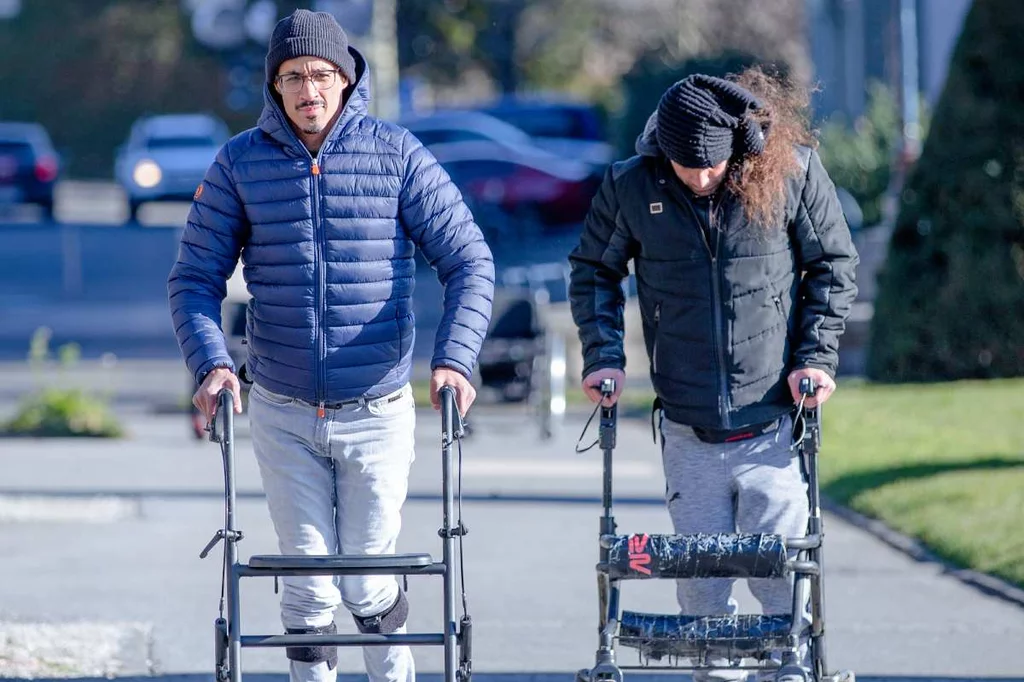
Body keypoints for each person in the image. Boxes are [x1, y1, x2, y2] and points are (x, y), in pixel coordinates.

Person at [167, 9, 494, 682]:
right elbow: (194, 277)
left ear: (346, 80)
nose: (307, 89)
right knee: (308, 584)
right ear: (274, 86)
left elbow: (469, 260)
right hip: (283, 412)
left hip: (376, 410)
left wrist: (456, 359)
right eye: (292, 76)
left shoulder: (395, 153)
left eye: (320, 74)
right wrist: (212, 364)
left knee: (368, 583)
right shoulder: (239, 164)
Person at [568, 69, 858, 681]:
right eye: (685, 164)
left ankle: (792, 672)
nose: (700, 177)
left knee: (782, 588)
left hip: (774, 423)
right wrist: (604, 356)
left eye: (712, 165)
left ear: (737, 150)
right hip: (687, 427)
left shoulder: (790, 174)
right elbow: (594, 268)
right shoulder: (630, 185)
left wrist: (817, 355)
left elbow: (832, 264)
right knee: (702, 595)